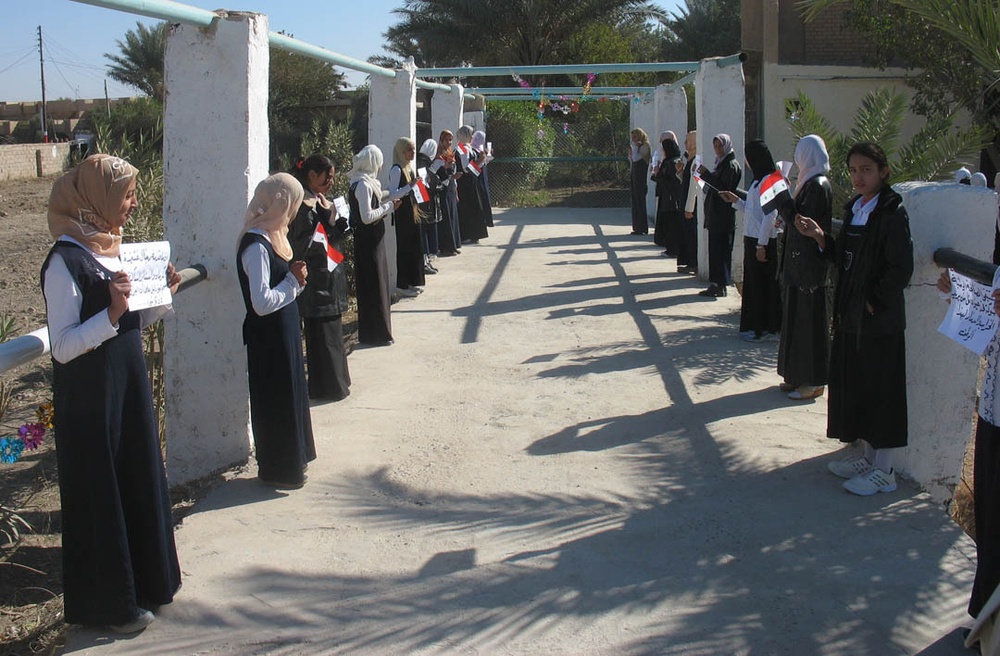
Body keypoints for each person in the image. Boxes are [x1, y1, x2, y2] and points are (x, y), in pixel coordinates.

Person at [41, 153, 181, 632]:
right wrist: (112, 315)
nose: (133, 203)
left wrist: (162, 293)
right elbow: (61, 347)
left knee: (136, 478)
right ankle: (111, 607)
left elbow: (134, 319)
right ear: (96, 199)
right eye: (126, 194)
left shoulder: (109, 247)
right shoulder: (65, 261)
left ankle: (148, 584)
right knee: (102, 495)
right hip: (90, 399)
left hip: (126, 385)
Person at [795, 141, 913, 495]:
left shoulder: (892, 212)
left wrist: (875, 301)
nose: (859, 177)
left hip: (878, 322)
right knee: (860, 387)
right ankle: (867, 457)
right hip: (852, 317)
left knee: (882, 390)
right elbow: (843, 256)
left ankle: (885, 471)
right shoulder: (856, 209)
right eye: (853, 170)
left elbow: (900, 266)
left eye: (867, 170)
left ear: (883, 172)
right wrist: (819, 237)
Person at [237, 173, 317, 489]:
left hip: (282, 333)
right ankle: (279, 468)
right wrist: (292, 283)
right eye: (293, 204)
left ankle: (293, 459)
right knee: (275, 400)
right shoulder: (255, 245)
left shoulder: (272, 237)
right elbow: (261, 302)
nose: (295, 211)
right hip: (268, 338)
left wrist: (292, 284)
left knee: (289, 395)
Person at [938, 270, 1000, 638]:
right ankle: (987, 622)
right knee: (990, 520)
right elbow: (989, 343)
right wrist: (957, 299)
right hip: (992, 414)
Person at [287, 154, 352, 402]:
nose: (331, 182)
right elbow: (303, 243)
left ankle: (337, 383)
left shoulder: (318, 200)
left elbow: (329, 236)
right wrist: (328, 223)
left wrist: (336, 219)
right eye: (328, 177)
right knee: (321, 338)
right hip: (315, 281)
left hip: (329, 276)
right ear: (312, 175)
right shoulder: (302, 206)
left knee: (333, 335)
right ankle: (326, 387)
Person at [776, 134, 833, 401]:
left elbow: (802, 224)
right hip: (798, 268)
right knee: (796, 323)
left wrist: (783, 199)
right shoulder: (806, 183)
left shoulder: (818, 186)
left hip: (809, 269)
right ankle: (796, 375)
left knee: (809, 326)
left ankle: (813, 381)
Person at [719, 139, 782, 341]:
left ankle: (767, 329)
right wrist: (736, 201)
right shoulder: (757, 181)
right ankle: (755, 326)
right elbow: (754, 211)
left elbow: (769, 215)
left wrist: (762, 244)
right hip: (752, 239)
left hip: (762, 241)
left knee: (763, 286)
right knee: (754, 285)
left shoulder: (768, 181)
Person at [349, 144, 401, 345]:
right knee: (373, 284)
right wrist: (389, 207)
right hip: (368, 240)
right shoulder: (362, 184)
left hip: (373, 239)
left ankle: (377, 331)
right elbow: (367, 216)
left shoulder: (367, 183)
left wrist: (390, 197)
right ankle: (376, 333)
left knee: (376, 283)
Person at [697, 133, 742, 297]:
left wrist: (707, 175)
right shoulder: (722, 164)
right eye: (715, 146)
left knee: (721, 251)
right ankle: (716, 283)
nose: (718, 149)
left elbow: (724, 190)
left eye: (720, 146)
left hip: (722, 216)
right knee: (715, 251)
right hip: (716, 215)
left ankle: (720, 284)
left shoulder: (730, 165)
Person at [388, 137, 425, 297]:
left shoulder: (408, 167)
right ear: (402, 152)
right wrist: (409, 186)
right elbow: (393, 194)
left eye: (414, 149)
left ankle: (412, 281)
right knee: (404, 249)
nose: (413, 153)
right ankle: (402, 284)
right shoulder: (396, 169)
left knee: (414, 247)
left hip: (412, 212)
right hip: (403, 214)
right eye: (409, 150)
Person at [652, 131, 684, 257]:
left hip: (671, 199)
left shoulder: (672, 162)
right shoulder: (669, 161)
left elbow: (670, 181)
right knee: (667, 223)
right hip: (666, 197)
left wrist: (657, 175)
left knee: (671, 225)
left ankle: (672, 250)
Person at [455, 125, 489, 244]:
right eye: (470, 134)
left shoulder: (468, 147)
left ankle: (474, 234)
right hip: (465, 184)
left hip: (471, 182)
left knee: (474, 208)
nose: (472, 136)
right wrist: (479, 161)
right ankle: (467, 234)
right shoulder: (462, 149)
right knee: (467, 208)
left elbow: (473, 169)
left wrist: (481, 161)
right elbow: (466, 169)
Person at [434, 131, 462, 257]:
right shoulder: (439, 156)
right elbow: (436, 175)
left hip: (451, 190)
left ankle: (453, 245)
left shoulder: (451, 154)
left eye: (451, 140)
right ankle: (446, 247)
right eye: (446, 140)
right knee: (446, 219)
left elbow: (453, 176)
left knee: (452, 217)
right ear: (441, 140)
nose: (449, 143)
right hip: (443, 190)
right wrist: (449, 176)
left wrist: (455, 191)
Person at [416, 138, 441, 275]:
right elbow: (426, 184)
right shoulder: (423, 163)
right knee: (424, 232)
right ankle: (424, 261)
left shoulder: (422, 162)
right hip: (424, 203)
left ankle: (426, 261)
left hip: (424, 201)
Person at [678, 130, 699, 274]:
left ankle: (693, 263)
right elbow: (685, 182)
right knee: (686, 233)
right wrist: (679, 172)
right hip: (685, 201)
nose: (685, 143)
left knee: (691, 235)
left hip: (689, 206)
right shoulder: (689, 160)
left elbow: (694, 187)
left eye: (688, 140)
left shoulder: (696, 161)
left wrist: (689, 208)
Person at [627, 128, 651, 235]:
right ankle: (637, 226)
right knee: (635, 201)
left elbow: (637, 159)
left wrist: (635, 147)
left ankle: (642, 227)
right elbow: (631, 159)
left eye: (635, 137)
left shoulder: (645, 146)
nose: (634, 140)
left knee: (640, 202)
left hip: (641, 177)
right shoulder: (637, 147)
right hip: (635, 176)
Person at [471, 130, 495, 229]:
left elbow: (484, 163)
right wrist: (481, 159)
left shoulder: (480, 148)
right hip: (478, 178)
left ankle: (487, 221)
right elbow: (473, 166)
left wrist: (488, 156)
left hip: (482, 177)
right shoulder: (472, 150)